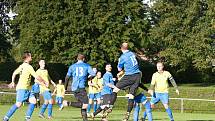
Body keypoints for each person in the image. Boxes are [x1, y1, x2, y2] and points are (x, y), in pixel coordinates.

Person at [3, 51, 47, 121]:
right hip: (22, 88)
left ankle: (27, 118)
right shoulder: (28, 67)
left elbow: (14, 73)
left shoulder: (22, 66)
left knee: (33, 101)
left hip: (25, 89)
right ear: (28, 57)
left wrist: (13, 81)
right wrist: (44, 81)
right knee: (18, 104)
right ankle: (6, 118)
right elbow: (37, 76)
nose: (31, 57)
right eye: (30, 56)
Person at [109, 42, 142, 121]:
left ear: (121, 48)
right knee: (131, 96)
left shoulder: (122, 57)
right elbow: (138, 61)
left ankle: (110, 107)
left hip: (129, 76)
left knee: (115, 89)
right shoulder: (132, 53)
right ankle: (127, 114)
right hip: (137, 75)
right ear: (128, 48)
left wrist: (120, 66)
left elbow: (119, 69)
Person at [63, 54, 96, 121]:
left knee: (83, 105)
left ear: (77, 59)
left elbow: (67, 78)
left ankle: (85, 119)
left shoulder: (72, 66)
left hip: (74, 88)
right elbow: (93, 74)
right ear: (83, 59)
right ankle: (67, 103)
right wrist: (88, 78)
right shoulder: (86, 66)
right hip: (81, 88)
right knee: (85, 104)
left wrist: (65, 88)